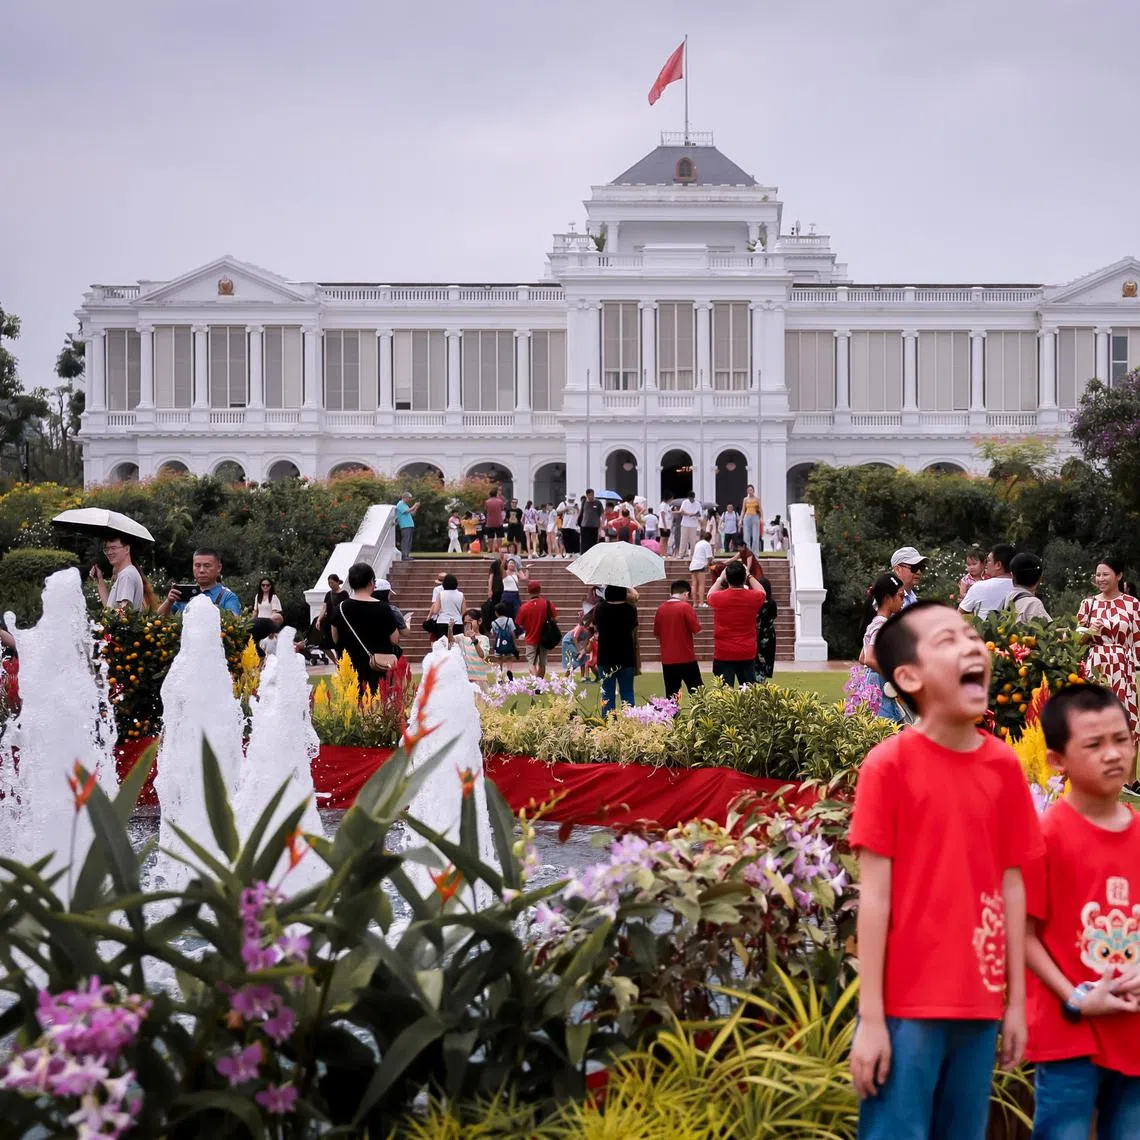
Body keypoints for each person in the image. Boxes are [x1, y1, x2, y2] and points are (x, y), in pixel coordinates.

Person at [848, 602, 1043, 1138]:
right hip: (905, 1007)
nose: (971, 646)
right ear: (908, 676)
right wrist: (871, 1019)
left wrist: (1017, 1004)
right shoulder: (888, 766)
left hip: (979, 1005)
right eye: (947, 641)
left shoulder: (1002, 766)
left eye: (972, 636)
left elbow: (1011, 885)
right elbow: (875, 897)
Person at [1024, 685, 1140, 1140]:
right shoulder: (1046, 835)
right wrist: (1074, 996)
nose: (1113, 755)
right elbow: (1024, 933)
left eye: (1122, 739)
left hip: (1133, 1030)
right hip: (1066, 1032)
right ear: (1057, 760)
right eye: (1094, 745)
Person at [1078, 557, 1140, 740]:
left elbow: (1137, 639)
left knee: (1126, 721)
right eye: (1097, 575)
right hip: (1096, 664)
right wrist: (1090, 631)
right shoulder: (1088, 604)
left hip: (1122, 667)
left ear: (1119, 576)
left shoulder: (1132, 604)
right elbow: (1078, 641)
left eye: (1105, 574)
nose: (1100, 579)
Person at [330, 561, 401, 694]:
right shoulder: (384, 608)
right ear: (371, 582)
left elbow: (335, 638)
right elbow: (394, 639)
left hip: (350, 669)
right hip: (378, 667)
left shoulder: (340, 608)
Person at [706, 558, 767, 687]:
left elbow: (709, 594)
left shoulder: (718, 598)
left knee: (723, 697)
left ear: (727, 578)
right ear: (744, 578)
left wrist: (720, 578)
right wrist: (749, 574)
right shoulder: (753, 597)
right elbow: (762, 592)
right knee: (748, 696)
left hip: (723, 652)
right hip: (746, 652)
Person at [858, 573, 907, 722]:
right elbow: (869, 659)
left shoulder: (874, 624)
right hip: (881, 691)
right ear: (887, 598)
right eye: (900, 596)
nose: (903, 601)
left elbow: (862, 657)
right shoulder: (881, 626)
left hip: (872, 689)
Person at [595, 585, 639, 715]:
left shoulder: (600, 609)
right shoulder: (630, 610)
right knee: (627, 693)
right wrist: (629, 586)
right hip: (626, 656)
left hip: (605, 656)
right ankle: (630, 724)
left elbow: (596, 625)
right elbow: (636, 597)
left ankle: (609, 725)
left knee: (607, 693)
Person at [653, 579, 702, 698]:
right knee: (697, 692)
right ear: (686, 594)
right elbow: (696, 629)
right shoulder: (685, 607)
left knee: (671, 695)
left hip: (668, 659)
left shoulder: (661, 609)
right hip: (686, 657)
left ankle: (673, 716)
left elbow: (656, 633)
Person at [158, 548, 242, 616]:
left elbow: (234, 624)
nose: (201, 570)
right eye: (197, 566)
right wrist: (169, 602)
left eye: (207, 566)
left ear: (219, 567)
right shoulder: (183, 594)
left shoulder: (228, 596)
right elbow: (158, 619)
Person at [90, 532, 153, 613]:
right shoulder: (126, 573)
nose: (109, 552)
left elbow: (124, 613)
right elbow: (110, 610)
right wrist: (99, 579)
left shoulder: (127, 575)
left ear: (127, 549)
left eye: (113, 548)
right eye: (107, 549)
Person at [960, 543, 1017, 619]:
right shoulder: (1021, 588)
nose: (986, 564)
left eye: (989, 561)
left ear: (998, 565)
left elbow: (959, 614)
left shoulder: (979, 586)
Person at [516, 580, 557, 679]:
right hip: (545, 638)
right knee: (542, 664)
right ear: (540, 590)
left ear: (528, 591)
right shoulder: (547, 604)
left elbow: (519, 624)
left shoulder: (524, 607)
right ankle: (540, 684)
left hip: (530, 638)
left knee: (531, 663)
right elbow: (555, 619)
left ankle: (537, 683)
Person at [1007, 552, 1051, 624]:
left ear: (1012, 575)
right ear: (1040, 578)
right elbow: (1045, 633)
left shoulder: (1009, 598)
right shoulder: (1033, 603)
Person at [315, 573, 349, 658]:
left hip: (340, 624)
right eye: (329, 583)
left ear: (337, 582)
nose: (330, 585)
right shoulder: (328, 594)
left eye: (332, 583)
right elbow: (324, 608)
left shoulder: (344, 594)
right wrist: (319, 619)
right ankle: (336, 662)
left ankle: (341, 665)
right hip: (329, 623)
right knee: (324, 645)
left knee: (339, 647)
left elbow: (347, 608)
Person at [459, 608, 493, 688]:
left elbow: (482, 655)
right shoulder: (461, 638)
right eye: (465, 622)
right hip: (466, 679)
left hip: (479, 679)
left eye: (470, 621)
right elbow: (450, 641)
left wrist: (474, 640)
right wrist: (450, 628)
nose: (468, 624)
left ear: (479, 621)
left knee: (480, 700)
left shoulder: (484, 639)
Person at [251, 577, 284, 652]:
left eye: (267, 585)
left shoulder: (273, 597)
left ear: (270, 586)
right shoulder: (257, 596)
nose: (265, 587)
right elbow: (255, 611)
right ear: (260, 586)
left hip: (268, 624)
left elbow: (274, 613)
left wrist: (271, 629)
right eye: (263, 585)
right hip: (258, 625)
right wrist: (251, 623)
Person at [755, 573, 778, 681]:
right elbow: (774, 616)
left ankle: (758, 677)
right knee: (766, 657)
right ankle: (763, 677)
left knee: (758, 658)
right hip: (769, 634)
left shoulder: (756, 603)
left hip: (757, 633)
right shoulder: (772, 603)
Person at [428, 573, 465, 640]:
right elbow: (464, 612)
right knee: (457, 644)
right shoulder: (461, 595)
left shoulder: (441, 594)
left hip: (443, 622)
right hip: (457, 622)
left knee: (443, 645)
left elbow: (435, 611)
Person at [689, 530, 714, 607]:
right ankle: (701, 603)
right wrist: (710, 566)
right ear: (710, 539)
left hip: (693, 565)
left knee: (694, 584)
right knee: (701, 584)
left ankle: (694, 603)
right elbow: (709, 558)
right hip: (700, 565)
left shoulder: (698, 543)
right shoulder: (707, 544)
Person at [500, 557, 527, 621]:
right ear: (507, 564)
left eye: (513, 563)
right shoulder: (505, 573)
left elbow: (525, 579)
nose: (512, 564)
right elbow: (501, 568)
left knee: (517, 613)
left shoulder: (516, 573)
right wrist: (504, 560)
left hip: (515, 594)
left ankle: (517, 629)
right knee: (507, 613)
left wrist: (527, 569)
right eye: (510, 563)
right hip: (507, 594)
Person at [394, 491, 418, 561]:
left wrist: (416, 507)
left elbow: (412, 513)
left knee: (409, 541)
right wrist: (414, 506)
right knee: (405, 541)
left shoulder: (405, 505)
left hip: (410, 525)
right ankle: (404, 556)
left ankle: (407, 555)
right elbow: (407, 511)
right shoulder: (400, 504)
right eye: (409, 498)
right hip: (405, 525)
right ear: (405, 497)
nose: (409, 500)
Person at [678, 491, 702, 557]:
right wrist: (689, 514)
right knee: (683, 539)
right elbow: (681, 512)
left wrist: (695, 514)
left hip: (693, 524)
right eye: (690, 498)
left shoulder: (697, 504)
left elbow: (700, 514)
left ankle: (693, 555)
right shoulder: (685, 502)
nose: (691, 500)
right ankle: (681, 554)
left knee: (693, 540)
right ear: (688, 497)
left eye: (692, 498)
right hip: (685, 524)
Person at [483, 485, 506, 554]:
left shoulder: (487, 502)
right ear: (496, 494)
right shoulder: (500, 501)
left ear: (490, 495)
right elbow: (502, 509)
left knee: (490, 536)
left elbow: (485, 510)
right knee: (499, 536)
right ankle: (499, 549)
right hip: (499, 522)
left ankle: (490, 548)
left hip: (489, 522)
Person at [741, 485, 762, 554]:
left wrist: (761, 518)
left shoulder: (757, 499)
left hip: (755, 517)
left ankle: (755, 553)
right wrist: (741, 519)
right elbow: (743, 510)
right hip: (747, 517)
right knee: (746, 537)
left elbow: (760, 509)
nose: (750, 491)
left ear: (753, 490)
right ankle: (748, 552)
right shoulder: (745, 499)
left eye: (751, 490)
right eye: (748, 490)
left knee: (755, 537)